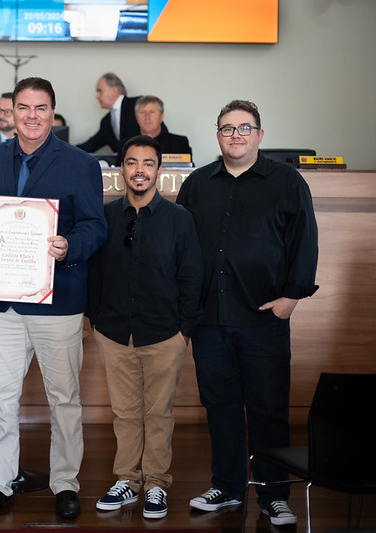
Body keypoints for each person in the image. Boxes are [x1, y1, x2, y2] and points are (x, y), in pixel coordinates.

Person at [0, 77, 106, 520]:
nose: (31, 116)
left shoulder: (82, 163)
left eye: (40, 108)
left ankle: (65, 483)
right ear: (11, 112)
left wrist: (69, 246)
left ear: (52, 113)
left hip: (59, 301)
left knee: (64, 399)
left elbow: (95, 226)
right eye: (23, 107)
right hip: (1, 303)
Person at [176, 100, 319, 527]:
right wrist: (186, 308)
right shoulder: (197, 184)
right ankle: (227, 486)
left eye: (244, 128)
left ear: (260, 134)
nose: (235, 135)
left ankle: (274, 495)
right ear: (217, 135)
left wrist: (291, 298)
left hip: (264, 319)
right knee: (219, 406)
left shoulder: (287, 181)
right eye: (227, 128)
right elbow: (181, 248)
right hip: (210, 320)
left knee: (268, 409)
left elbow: (305, 240)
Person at [86, 135, 202, 520]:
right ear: (122, 168)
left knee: (159, 414)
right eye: (132, 162)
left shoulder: (180, 219)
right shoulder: (105, 216)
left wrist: (185, 330)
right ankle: (126, 480)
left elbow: (191, 276)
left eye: (147, 163)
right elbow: (94, 272)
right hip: (114, 332)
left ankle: (155, 484)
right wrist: (96, 319)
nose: (139, 170)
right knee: (125, 414)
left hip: (165, 334)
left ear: (159, 170)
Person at [76, 73, 140, 154]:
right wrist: (66, 149)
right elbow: (91, 145)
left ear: (114, 90)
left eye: (100, 91)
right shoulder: (106, 121)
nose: (97, 96)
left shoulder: (138, 105)